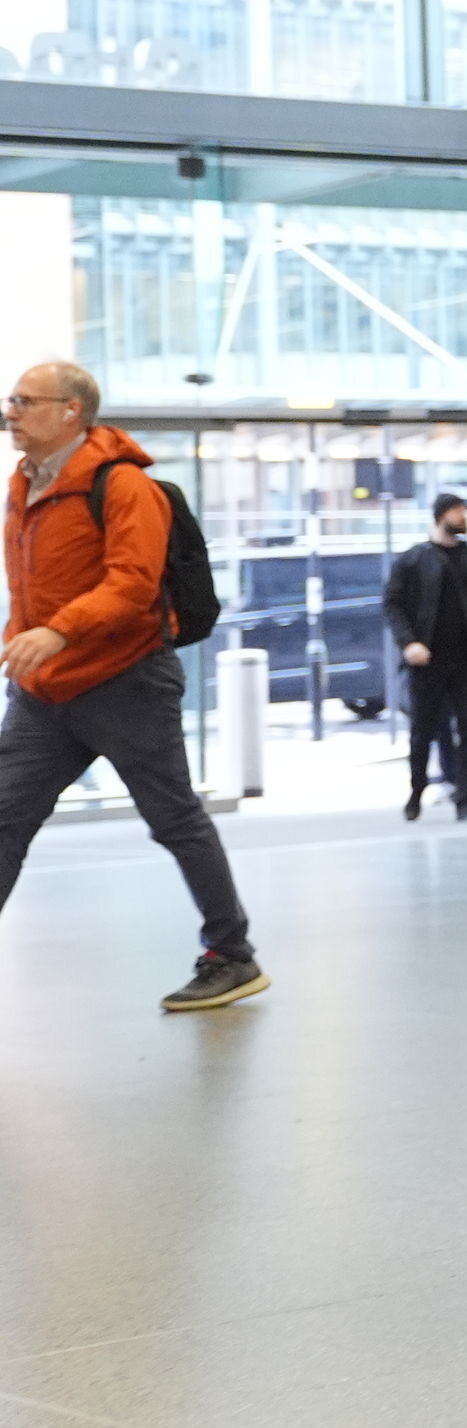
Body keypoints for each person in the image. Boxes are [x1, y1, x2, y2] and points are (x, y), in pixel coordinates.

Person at [0, 360, 266, 1011]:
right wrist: (21, 636)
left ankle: (232, 953)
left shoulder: (123, 487)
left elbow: (132, 584)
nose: (10, 410)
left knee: (174, 816)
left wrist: (57, 633)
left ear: (71, 410)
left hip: (127, 682)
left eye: (25, 400)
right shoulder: (25, 485)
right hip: (46, 692)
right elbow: (32, 590)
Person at [383, 495, 467, 822]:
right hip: (427, 661)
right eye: (458, 511)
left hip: (466, 659)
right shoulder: (413, 560)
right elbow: (392, 605)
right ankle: (416, 790)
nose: (464, 516)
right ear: (440, 516)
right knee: (422, 730)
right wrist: (408, 644)